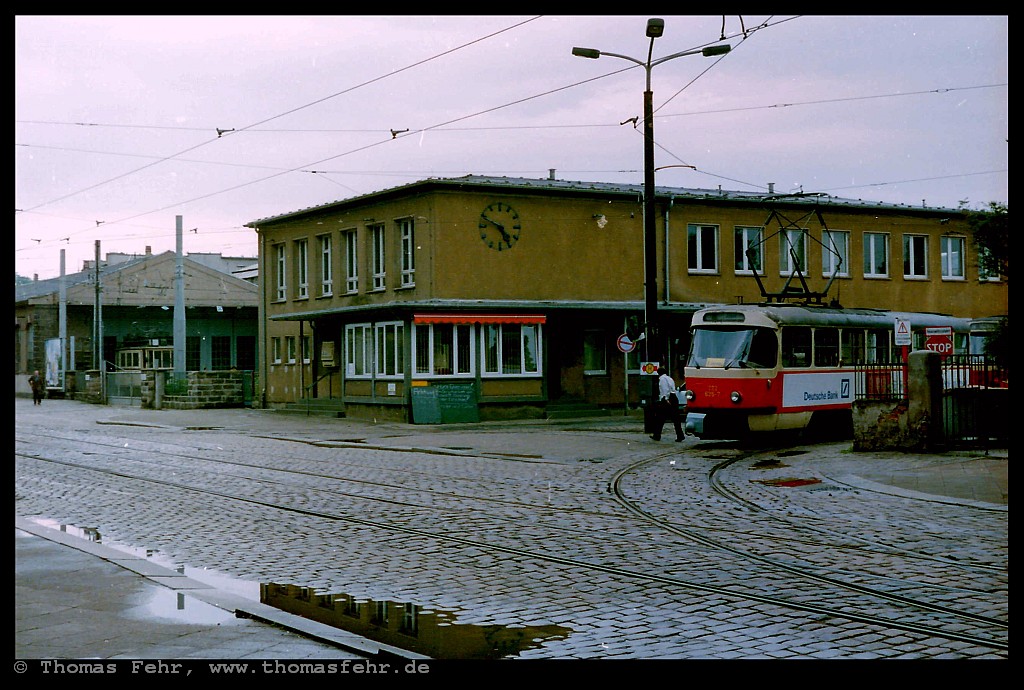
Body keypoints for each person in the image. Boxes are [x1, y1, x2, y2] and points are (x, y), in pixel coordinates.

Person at [650, 365, 685, 442]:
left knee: (660, 418)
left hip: (667, 399)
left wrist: (666, 399)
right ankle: (680, 435)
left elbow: (665, 390)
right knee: (675, 418)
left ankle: (657, 435)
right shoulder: (670, 378)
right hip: (673, 397)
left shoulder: (662, 379)